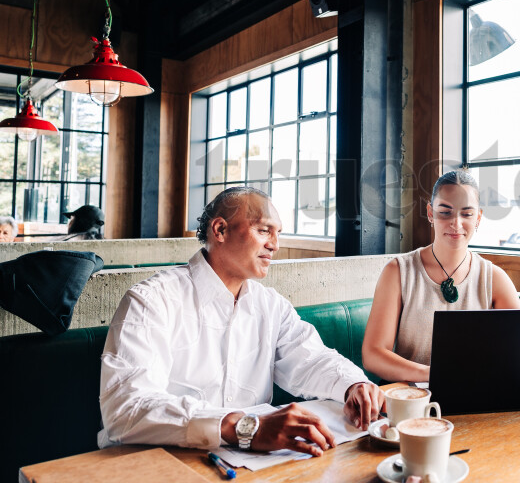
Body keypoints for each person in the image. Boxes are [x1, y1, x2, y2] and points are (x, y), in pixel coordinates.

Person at [99, 186, 383, 455]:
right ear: (220, 230)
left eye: (278, 234)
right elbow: (126, 408)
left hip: (248, 462)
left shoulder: (271, 304)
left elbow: (312, 359)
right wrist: (243, 427)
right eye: (264, 230)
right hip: (157, 462)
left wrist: (353, 385)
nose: (274, 245)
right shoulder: (151, 300)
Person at [362, 170, 520, 383]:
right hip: (411, 395)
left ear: (478, 218)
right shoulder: (398, 271)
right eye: (445, 212)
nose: (456, 223)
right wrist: (435, 375)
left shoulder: (494, 278)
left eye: (467, 214)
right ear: (430, 213)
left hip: (473, 393)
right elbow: (373, 355)